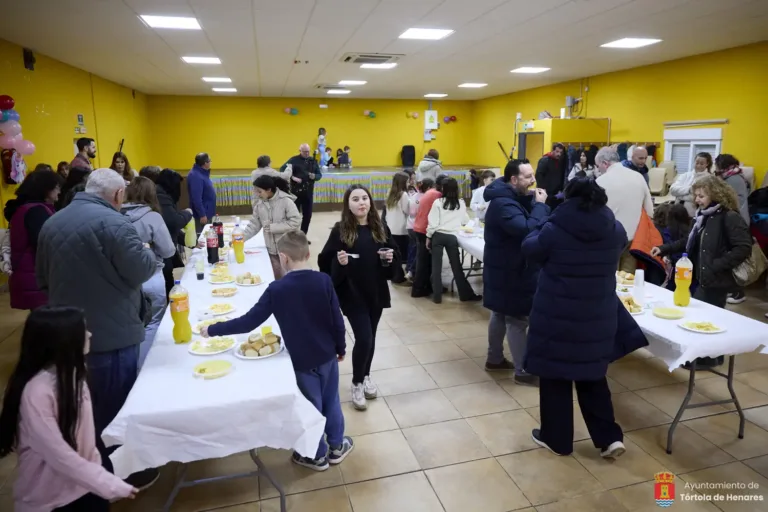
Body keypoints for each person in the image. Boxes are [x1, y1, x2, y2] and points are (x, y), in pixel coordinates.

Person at [36, 169, 157, 487]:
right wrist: (145, 250)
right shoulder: (116, 223)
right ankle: (122, 470)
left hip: (69, 333)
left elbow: (42, 279)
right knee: (117, 403)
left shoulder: (53, 222)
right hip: (112, 332)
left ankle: (86, 462)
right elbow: (140, 271)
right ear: (118, 195)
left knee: (83, 400)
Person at [203, 231, 353, 471]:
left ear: (283, 258)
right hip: (327, 355)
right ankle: (337, 446)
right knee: (331, 401)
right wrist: (341, 347)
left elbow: (248, 322)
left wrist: (213, 329)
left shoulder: (277, 289)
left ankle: (316, 455)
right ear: (308, 253)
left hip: (302, 361)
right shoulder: (324, 281)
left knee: (310, 407)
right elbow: (337, 319)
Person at [522, 177, 647, 458]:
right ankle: (609, 438)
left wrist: (542, 214)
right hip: (597, 314)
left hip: (557, 313)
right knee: (592, 373)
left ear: (568, 199)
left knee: (555, 375)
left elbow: (529, 248)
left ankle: (557, 439)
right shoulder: (614, 229)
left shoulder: (554, 228)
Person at [0, 306, 138, 511]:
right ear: (63, 343)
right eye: (83, 331)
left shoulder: (74, 375)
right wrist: (106, 482)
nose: (90, 334)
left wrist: (100, 475)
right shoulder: (37, 392)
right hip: (52, 500)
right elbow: (58, 454)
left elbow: (85, 439)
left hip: (87, 486)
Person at [318, 185, 398, 411]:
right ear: (348, 204)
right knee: (363, 338)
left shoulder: (380, 228)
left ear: (370, 202)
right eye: (355, 199)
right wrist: (340, 263)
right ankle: (356, 382)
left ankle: (366, 375)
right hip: (351, 293)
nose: (361, 202)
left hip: (376, 291)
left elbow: (393, 256)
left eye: (365, 198)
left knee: (371, 337)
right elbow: (325, 260)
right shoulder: (341, 230)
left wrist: (390, 257)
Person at [482, 159, 549, 384]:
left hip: (504, 266)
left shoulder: (508, 197)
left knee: (500, 312)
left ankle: (495, 359)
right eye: (528, 177)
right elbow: (526, 230)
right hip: (511, 268)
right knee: (517, 318)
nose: (533, 180)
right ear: (513, 179)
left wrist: (532, 201)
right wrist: (540, 206)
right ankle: (523, 371)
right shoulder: (503, 204)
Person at [652, 174, 751, 309]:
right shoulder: (700, 217)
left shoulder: (729, 217)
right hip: (700, 278)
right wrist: (663, 248)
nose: (697, 200)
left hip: (716, 281)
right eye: (696, 196)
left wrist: (716, 265)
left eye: (701, 196)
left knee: (705, 318)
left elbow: (743, 248)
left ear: (715, 195)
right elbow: (688, 241)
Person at [121, 177, 176, 368]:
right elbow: (168, 251)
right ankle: (145, 370)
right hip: (151, 277)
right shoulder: (152, 217)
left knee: (129, 327)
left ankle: (129, 367)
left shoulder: (115, 215)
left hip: (123, 280)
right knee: (153, 324)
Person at [4, 169, 63, 310]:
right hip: (36, 276)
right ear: (45, 190)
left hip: (29, 274)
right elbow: (44, 243)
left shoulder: (26, 208)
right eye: (56, 188)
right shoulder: (37, 211)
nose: (59, 192)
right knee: (48, 322)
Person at [595, 146, 654, 273]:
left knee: (610, 278)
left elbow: (593, 216)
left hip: (608, 239)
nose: (598, 170)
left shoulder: (600, 182)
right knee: (628, 281)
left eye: (598, 166)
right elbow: (650, 211)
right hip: (633, 239)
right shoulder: (639, 177)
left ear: (605, 163)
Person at [427, 177, 482, 304]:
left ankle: (437, 297)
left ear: (443, 189)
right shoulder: (461, 203)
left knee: (436, 267)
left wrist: (428, 237)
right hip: (452, 237)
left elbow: (433, 223)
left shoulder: (438, 202)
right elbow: (465, 221)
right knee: (456, 267)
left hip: (438, 236)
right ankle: (464, 294)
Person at [244, 175, 302, 279]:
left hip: (287, 249)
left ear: (269, 190)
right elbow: (254, 224)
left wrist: (274, 228)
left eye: (259, 191)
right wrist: (240, 238)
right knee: (276, 277)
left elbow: (295, 221)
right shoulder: (260, 204)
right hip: (271, 249)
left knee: (289, 278)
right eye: (255, 191)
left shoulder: (286, 201)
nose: (257, 194)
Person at [713, 154, 751, 305]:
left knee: (731, 257)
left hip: (735, 222)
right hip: (736, 220)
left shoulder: (733, 179)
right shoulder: (735, 176)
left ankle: (737, 291)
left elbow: (727, 200)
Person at [155, 169, 193, 296]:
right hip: (161, 250)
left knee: (168, 278)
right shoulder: (162, 197)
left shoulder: (161, 194)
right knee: (167, 281)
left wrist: (191, 242)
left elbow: (171, 228)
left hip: (163, 246)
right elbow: (174, 222)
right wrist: (187, 213)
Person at [411, 175, 447, 298]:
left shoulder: (430, 192)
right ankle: (419, 288)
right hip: (425, 230)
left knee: (424, 260)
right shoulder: (438, 196)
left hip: (418, 227)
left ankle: (427, 286)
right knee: (424, 261)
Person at [281, 144, 322, 236]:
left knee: (307, 216)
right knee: (293, 216)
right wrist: (292, 177)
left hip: (308, 193)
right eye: (304, 151)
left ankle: (302, 236)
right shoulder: (293, 160)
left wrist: (314, 176)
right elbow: (282, 169)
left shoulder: (313, 161)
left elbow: (319, 175)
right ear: (300, 151)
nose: (307, 153)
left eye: (308, 151)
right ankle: (292, 236)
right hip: (296, 193)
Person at [385, 172, 411, 284]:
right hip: (401, 229)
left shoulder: (389, 192)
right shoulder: (403, 195)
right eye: (408, 181)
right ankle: (398, 278)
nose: (409, 183)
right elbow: (407, 210)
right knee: (400, 255)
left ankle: (396, 276)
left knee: (395, 255)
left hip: (391, 226)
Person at [660, 204, 692, 291]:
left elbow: (668, 246)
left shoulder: (668, 231)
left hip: (676, 266)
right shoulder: (691, 229)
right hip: (690, 265)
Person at [670, 152, 712, 216]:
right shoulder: (685, 175)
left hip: (693, 214)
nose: (698, 165)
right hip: (676, 212)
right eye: (697, 163)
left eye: (702, 164)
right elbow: (672, 190)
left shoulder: (709, 178)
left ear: (707, 164)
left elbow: (697, 198)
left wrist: (679, 196)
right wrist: (689, 190)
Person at [407, 179, 433, 280]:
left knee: (413, 249)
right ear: (428, 187)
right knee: (420, 252)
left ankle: (410, 269)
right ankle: (411, 271)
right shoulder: (426, 198)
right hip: (418, 227)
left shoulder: (414, 196)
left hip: (410, 225)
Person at [187, 152, 217, 232]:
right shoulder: (195, 176)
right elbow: (196, 198)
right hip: (202, 215)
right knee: (202, 237)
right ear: (205, 163)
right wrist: (202, 214)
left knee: (209, 234)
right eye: (210, 161)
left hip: (207, 211)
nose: (211, 163)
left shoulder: (202, 172)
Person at [535, 143, 566, 209]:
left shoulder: (559, 161)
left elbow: (559, 175)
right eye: (557, 151)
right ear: (553, 150)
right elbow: (539, 175)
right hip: (546, 192)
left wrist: (560, 189)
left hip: (555, 193)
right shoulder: (545, 160)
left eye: (560, 152)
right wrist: (542, 189)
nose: (559, 154)